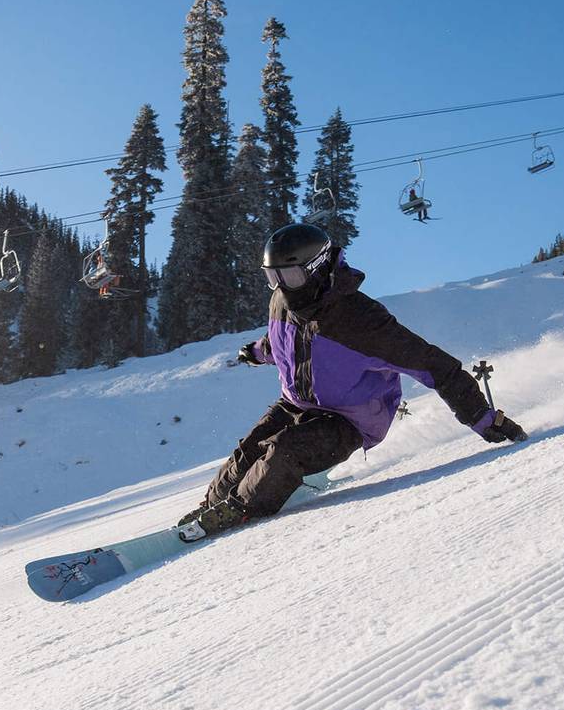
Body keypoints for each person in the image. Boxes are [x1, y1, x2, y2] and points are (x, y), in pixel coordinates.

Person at [178, 223, 527, 541]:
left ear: (316, 270)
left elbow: (436, 366)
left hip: (350, 420)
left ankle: (239, 511)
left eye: (289, 277)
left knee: (284, 451)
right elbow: (285, 341)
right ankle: (211, 507)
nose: (281, 287)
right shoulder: (281, 303)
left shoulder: (362, 322)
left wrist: (482, 418)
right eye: (273, 277)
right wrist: (257, 352)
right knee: (246, 452)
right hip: (296, 403)